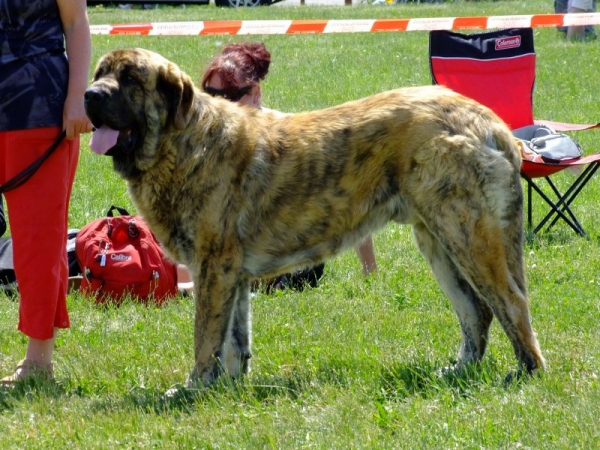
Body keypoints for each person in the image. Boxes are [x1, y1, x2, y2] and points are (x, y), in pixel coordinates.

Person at [200, 42, 378, 283]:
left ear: (255, 94)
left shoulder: (288, 135)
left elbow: (350, 193)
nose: (216, 105)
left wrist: (370, 271)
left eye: (228, 96)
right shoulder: (208, 141)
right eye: (209, 94)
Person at [0, 0, 92, 385]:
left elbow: (75, 22)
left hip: (39, 107)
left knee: (38, 240)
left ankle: (38, 360)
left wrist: (76, 98)